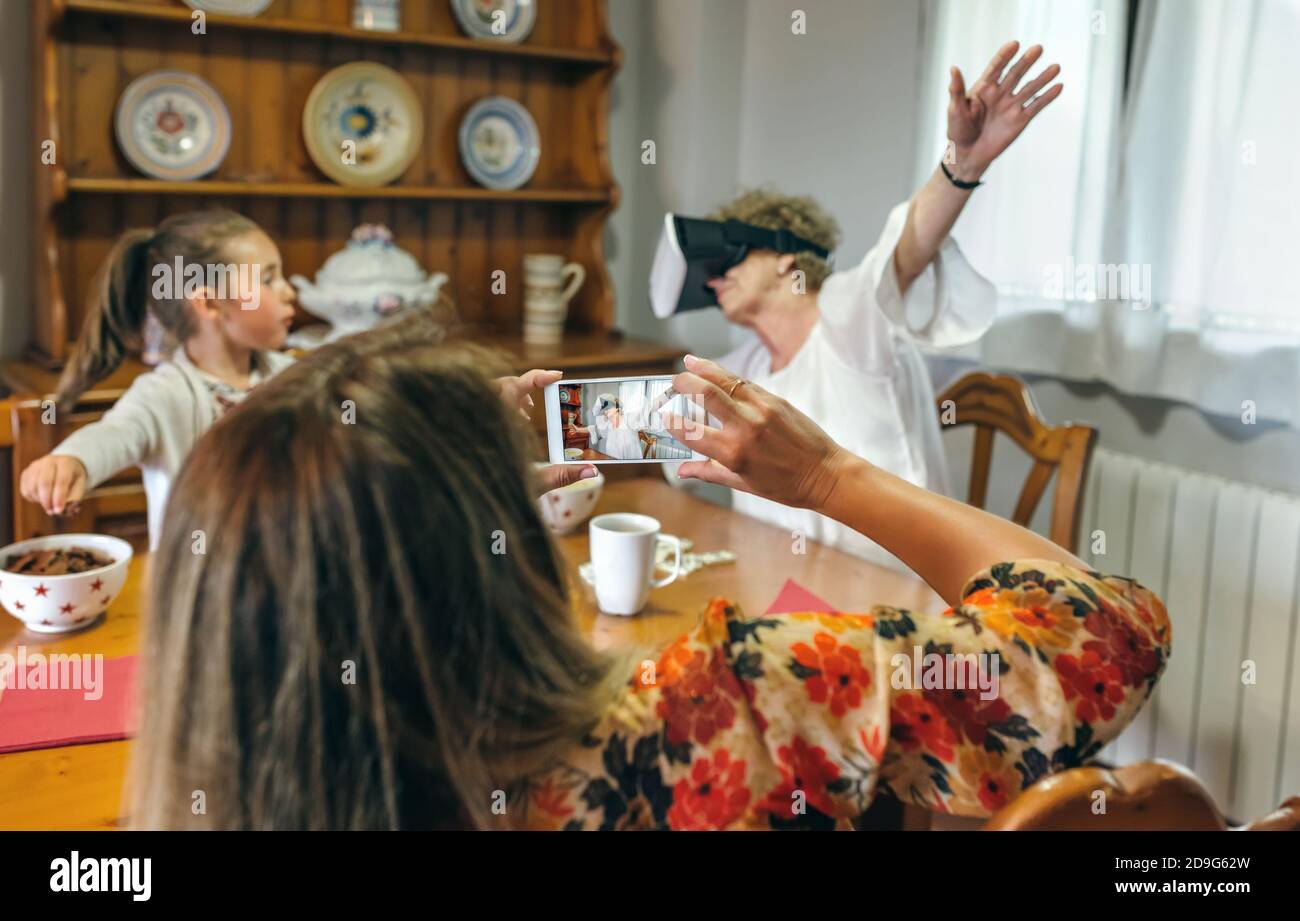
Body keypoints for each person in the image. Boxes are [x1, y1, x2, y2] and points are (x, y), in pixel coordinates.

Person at [129, 315, 1169, 830]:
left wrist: (441, 470)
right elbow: (1106, 628)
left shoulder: (212, 789)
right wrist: (827, 474)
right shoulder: (724, 708)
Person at [702, 41, 1063, 571]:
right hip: (789, 594)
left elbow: (905, 250)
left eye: (732, 253)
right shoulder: (748, 367)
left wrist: (963, 163)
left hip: (898, 593)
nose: (716, 274)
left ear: (786, 258)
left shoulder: (849, 318)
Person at [17, 210, 298, 549]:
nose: (288, 291)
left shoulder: (293, 377)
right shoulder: (164, 394)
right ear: (209, 303)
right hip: (194, 584)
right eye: (268, 279)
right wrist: (73, 459)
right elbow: (115, 433)